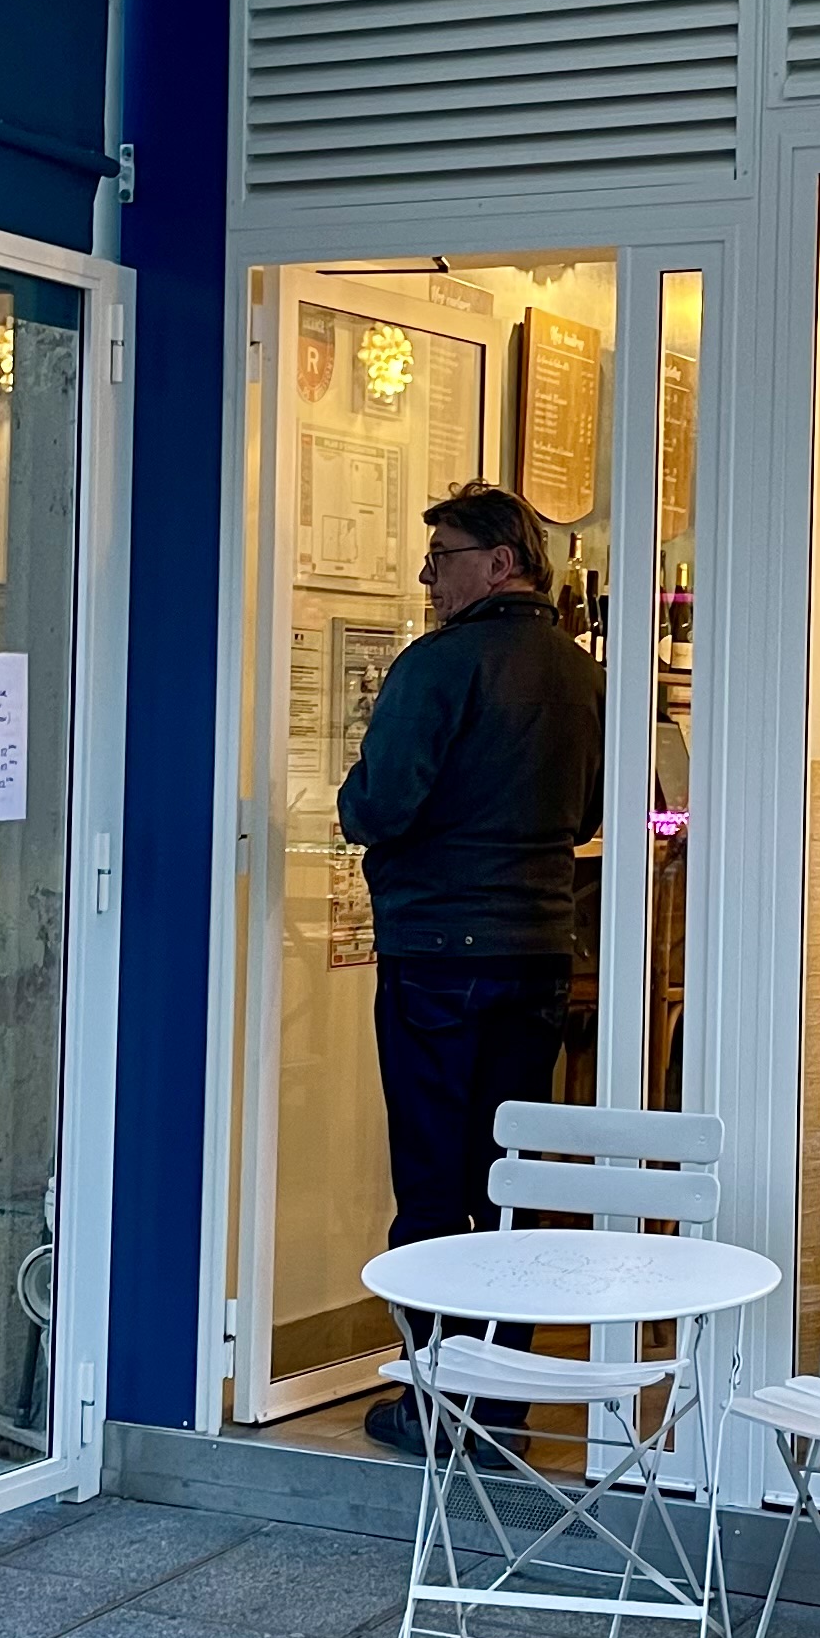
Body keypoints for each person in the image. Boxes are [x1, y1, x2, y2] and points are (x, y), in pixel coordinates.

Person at [337, 479, 603, 1453]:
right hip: (539, 951)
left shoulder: (439, 666)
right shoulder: (581, 674)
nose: (427, 577)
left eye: (442, 556)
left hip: (438, 953)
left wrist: (351, 793)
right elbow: (591, 813)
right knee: (508, 1184)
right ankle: (500, 1402)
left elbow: (380, 806)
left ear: (500, 562)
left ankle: (437, 1402)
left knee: (431, 1187)